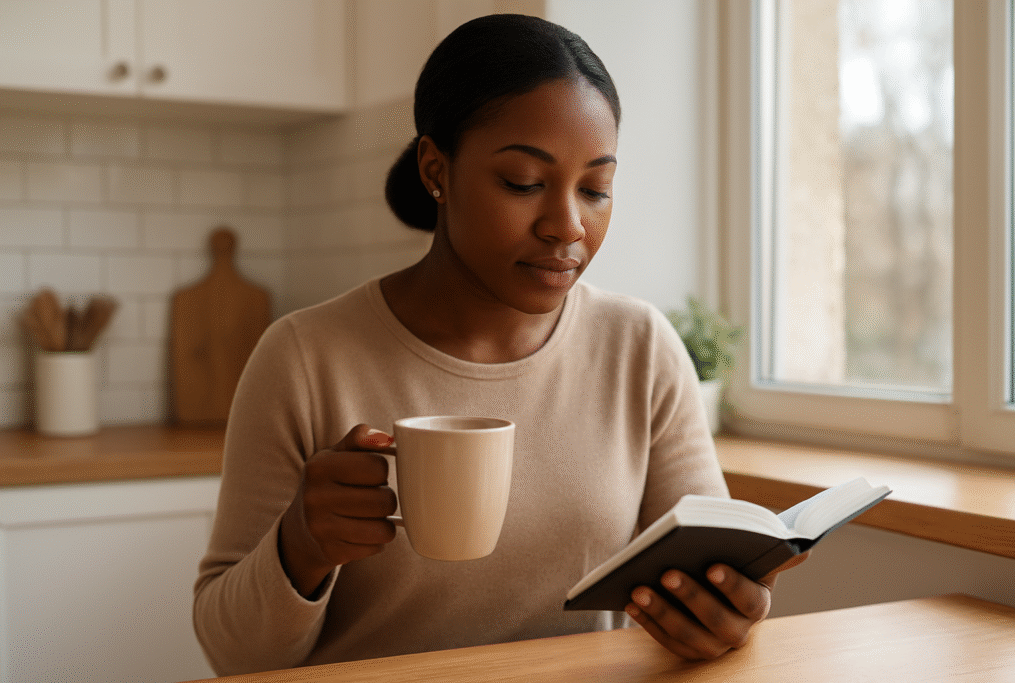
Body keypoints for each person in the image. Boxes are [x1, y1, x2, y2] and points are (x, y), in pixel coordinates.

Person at [193, 13, 791, 676]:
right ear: (435, 169)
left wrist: (727, 610)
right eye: (524, 183)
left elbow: (705, 575)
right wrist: (300, 547)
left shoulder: (640, 348)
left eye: (596, 188)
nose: (568, 225)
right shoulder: (305, 357)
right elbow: (231, 651)